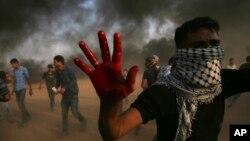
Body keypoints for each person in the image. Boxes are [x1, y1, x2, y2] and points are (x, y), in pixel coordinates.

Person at [73, 16, 250, 141]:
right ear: (181, 52)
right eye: (199, 46)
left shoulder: (222, 81)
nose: (209, 51)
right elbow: (114, 131)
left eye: (214, 45)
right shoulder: (163, 92)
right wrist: (110, 103)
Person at [53, 55, 87, 138]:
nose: (54, 63)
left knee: (74, 112)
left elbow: (73, 81)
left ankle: (83, 120)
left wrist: (64, 87)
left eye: (55, 61)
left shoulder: (69, 69)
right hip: (65, 96)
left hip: (73, 94)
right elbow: (57, 83)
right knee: (64, 114)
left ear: (60, 62)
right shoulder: (57, 71)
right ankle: (65, 131)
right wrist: (54, 90)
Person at [10, 58, 32, 128]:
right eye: (11, 64)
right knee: (20, 105)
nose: (12, 66)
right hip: (16, 90)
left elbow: (28, 79)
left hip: (22, 89)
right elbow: (15, 81)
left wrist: (30, 89)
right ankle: (27, 114)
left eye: (13, 64)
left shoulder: (23, 69)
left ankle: (24, 121)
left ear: (17, 63)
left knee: (21, 105)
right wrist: (13, 90)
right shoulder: (13, 71)